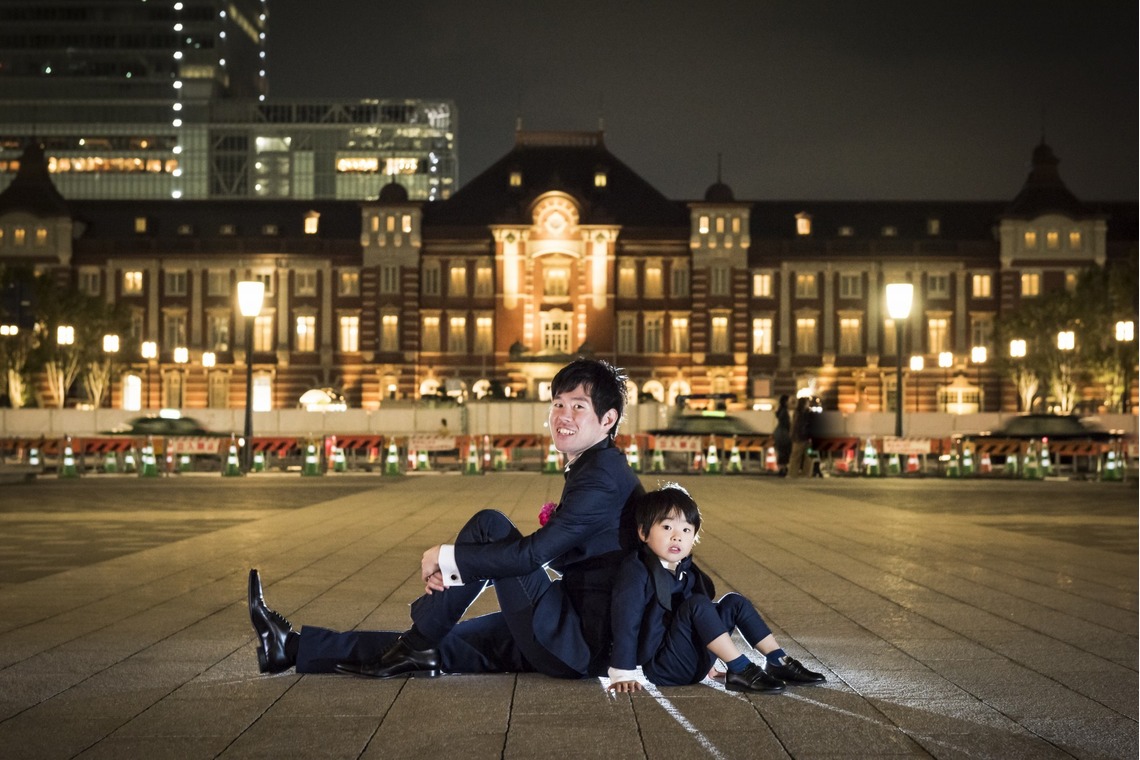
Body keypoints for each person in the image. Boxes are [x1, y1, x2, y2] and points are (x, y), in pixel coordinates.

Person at [248, 358, 645, 680]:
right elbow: (569, 554)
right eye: (558, 404)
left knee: (490, 526)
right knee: (434, 645)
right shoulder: (598, 467)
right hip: (569, 630)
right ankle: (291, 647)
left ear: (607, 419)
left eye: (578, 406)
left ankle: (420, 636)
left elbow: (531, 556)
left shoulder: (601, 476)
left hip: (574, 643)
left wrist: (449, 558)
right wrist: (469, 567)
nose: (563, 415)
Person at [608, 484, 825, 693]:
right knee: (698, 604)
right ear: (643, 533)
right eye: (667, 527)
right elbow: (626, 620)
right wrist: (622, 673)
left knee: (734, 602)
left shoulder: (688, 570)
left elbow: (702, 621)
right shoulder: (636, 570)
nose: (677, 536)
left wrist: (706, 658)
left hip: (692, 660)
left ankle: (778, 661)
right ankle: (740, 669)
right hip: (665, 667)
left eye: (686, 529)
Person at [788, 396, 812, 478]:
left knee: (795, 457)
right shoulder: (807, 413)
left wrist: (792, 435)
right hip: (807, 438)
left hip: (798, 438)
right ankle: (806, 474)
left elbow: (794, 426)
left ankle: (792, 473)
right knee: (808, 457)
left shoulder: (797, 413)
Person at [773, 395, 792, 477]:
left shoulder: (780, 410)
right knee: (785, 451)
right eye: (789, 401)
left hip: (779, 433)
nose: (790, 402)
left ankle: (782, 468)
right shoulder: (784, 412)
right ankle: (783, 468)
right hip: (783, 434)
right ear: (785, 402)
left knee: (781, 451)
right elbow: (786, 424)